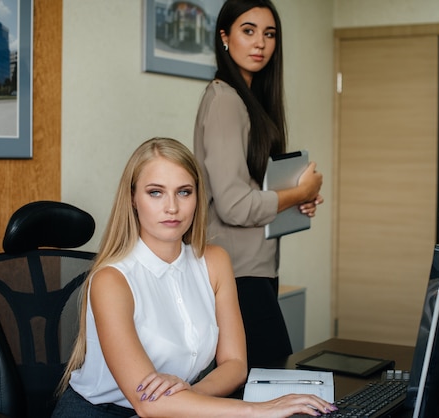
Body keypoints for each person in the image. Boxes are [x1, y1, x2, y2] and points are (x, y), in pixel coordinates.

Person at [52, 137, 335, 417]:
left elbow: (235, 364)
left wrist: (188, 394)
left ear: (197, 196)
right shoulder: (112, 280)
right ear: (132, 199)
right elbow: (148, 403)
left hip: (176, 407)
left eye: (184, 192)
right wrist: (259, 410)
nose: (172, 207)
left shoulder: (214, 261)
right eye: (155, 192)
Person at [193, 0, 324, 368]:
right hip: (238, 272)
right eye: (248, 31)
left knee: (264, 383)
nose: (260, 44)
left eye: (269, 34)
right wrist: (298, 192)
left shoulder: (248, 101)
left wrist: (296, 200)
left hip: (255, 267)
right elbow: (234, 205)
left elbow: (251, 186)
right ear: (225, 37)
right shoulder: (224, 101)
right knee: (270, 378)